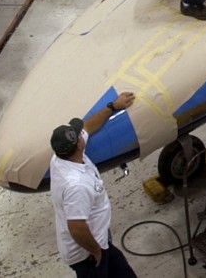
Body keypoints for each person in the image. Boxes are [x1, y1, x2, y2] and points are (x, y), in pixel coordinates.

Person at [50, 92, 138, 276]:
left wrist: (112, 106)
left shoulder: (60, 157)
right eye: (79, 135)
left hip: (100, 239)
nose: (82, 134)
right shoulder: (76, 186)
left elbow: (88, 126)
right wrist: (96, 250)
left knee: (124, 273)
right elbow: (76, 228)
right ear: (80, 145)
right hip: (87, 255)